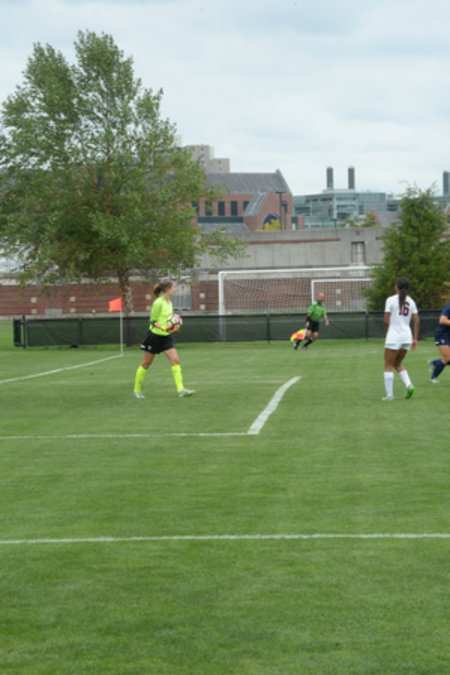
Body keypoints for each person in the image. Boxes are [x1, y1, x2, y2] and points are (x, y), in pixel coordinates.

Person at [133, 279, 195, 399]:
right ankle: (136, 390)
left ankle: (181, 390)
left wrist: (173, 328)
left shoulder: (169, 303)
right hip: (154, 337)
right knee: (146, 364)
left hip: (166, 337)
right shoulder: (158, 302)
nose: (176, 289)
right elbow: (153, 321)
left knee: (175, 361)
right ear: (167, 289)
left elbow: (169, 322)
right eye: (174, 287)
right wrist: (164, 328)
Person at [382, 277, 419, 401]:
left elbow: (385, 321)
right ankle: (409, 385)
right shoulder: (411, 301)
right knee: (397, 363)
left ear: (397, 287)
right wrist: (415, 339)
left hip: (394, 336)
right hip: (406, 337)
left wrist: (387, 334)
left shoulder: (390, 300)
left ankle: (389, 395)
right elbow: (417, 321)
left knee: (388, 365)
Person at [428, 301, 450, 383]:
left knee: (448, 359)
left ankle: (435, 363)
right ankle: (433, 377)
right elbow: (442, 320)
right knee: (447, 358)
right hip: (442, 334)